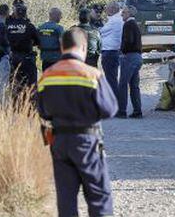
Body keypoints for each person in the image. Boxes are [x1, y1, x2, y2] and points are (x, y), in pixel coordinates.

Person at [37, 27, 117, 217]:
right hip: (87, 141)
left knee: (66, 199)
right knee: (99, 197)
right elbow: (110, 109)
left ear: (61, 46)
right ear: (83, 47)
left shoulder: (47, 76)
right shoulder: (91, 74)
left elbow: (42, 112)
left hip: (59, 143)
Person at [6, 1, 40, 93]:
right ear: (25, 13)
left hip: (13, 59)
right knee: (31, 86)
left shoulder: (8, 26)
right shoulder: (29, 26)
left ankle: (15, 106)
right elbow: (38, 42)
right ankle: (29, 106)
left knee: (15, 86)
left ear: (15, 13)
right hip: (27, 59)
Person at [118, 5, 142, 119]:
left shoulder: (128, 24)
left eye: (123, 13)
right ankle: (137, 110)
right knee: (134, 85)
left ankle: (121, 111)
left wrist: (122, 51)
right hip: (138, 57)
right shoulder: (135, 24)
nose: (122, 14)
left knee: (122, 84)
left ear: (129, 14)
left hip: (130, 56)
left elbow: (129, 40)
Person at [100, 1, 123, 96]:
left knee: (111, 79)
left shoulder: (114, 20)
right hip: (114, 52)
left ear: (113, 9)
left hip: (109, 52)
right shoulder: (118, 19)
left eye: (107, 8)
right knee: (112, 78)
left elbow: (101, 32)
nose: (105, 10)